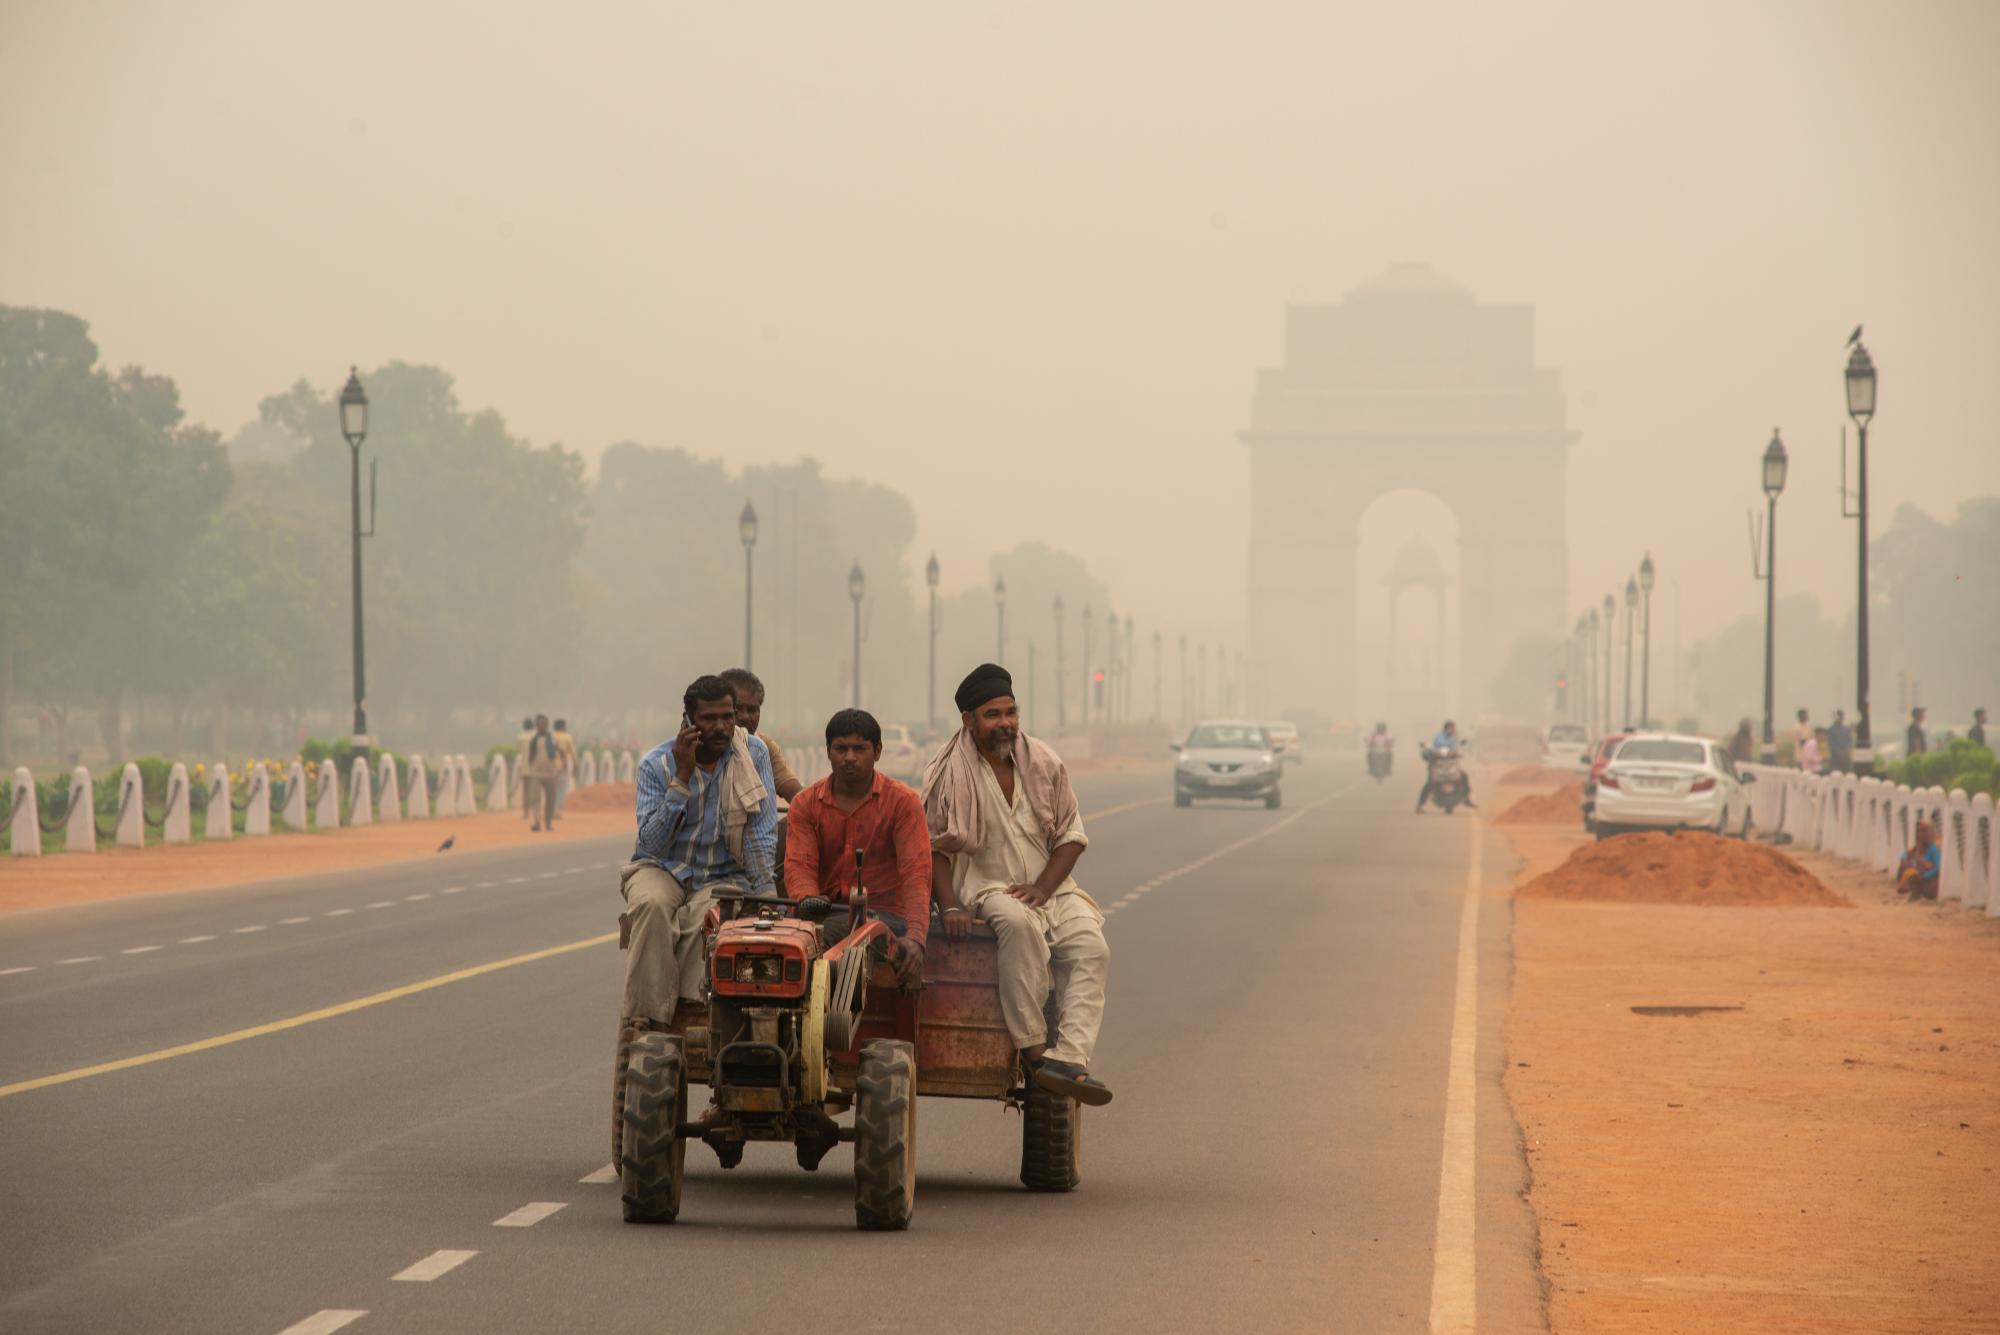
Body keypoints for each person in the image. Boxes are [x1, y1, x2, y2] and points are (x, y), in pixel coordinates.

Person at [924, 663, 1113, 1106]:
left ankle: (1068, 1059)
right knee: (1019, 926)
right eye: (992, 714)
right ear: (968, 720)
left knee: (1092, 947)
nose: (1005, 723)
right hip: (988, 889)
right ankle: (1034, 1052)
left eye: (1011, 712)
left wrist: (1045, 889)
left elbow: (1071, 836)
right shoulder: (947, 773)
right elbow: (934, 849)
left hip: (1051, 890)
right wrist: (949, 907)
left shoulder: (1044, 762)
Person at [620, 675, 779, 1030]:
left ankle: (689, 1012)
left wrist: (767, 890)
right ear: (688, 721)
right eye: (709, 719)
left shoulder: (753, 754)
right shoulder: (655, 765)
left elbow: (761, 831)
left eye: (727, 716)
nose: (721, 727)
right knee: (650, 906)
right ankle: (646, 1019)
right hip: (662, 867)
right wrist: (682, 778)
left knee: (706, 921)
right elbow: (650, 844)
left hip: (723, 873)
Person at [784, 708, 930, 986]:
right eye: (841, 748)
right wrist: (808, 904)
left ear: (877, 752)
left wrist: (915, 939)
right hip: (825, 913)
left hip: (886, 917)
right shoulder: (805, 804)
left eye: (860, 748)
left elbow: (916, 874)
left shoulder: (903, 802)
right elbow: (800, 867)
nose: (850, 757)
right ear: (828, 752)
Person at [720, 667, 804, 802]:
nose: (746, 717)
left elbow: (797, 796)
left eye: (752, 710)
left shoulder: (763, 746)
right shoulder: (706, 745)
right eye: (737, 709)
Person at [1415, 719, 1475, 813]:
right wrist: (1433, 752)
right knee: (1430, 783)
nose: (1453, 730)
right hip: (1437, 763)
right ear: (1446, 729)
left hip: (1451, 763)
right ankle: (1420, 805)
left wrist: (1457, 752)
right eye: (1451, 728)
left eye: (1453, 728)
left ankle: (1466, 799)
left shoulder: (1455, 737)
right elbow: (1433, 748)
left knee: (1463, 776)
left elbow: (1458, 747)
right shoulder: (1438, 737)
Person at [520, 714, 562, 832]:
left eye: (543, 723)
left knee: (551, 800)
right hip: (536, 773)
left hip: (551, 773)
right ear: (536, 725)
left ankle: (548, 823)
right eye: (539, 723)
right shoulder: (533, 740)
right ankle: (537, 822)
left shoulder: (553, 739)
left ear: (547, 725)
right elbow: (530, 756)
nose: (541, 725)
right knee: (535, 799)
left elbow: (556, 753)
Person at [1897, 819, 1940, 901]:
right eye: (1919, 831)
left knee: (1914, 874)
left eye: (1923, 831)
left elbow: (1937, 868)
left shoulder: (1933, 849)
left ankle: (1916, 895)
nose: (1920, 834)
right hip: (1921, 876)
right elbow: (1904, 855)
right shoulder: (1918, 847)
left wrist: (1925, 875)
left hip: (1930, 881)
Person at [552, 717, 579, 819]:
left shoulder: (551, 737)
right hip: (562, 766)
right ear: (563, 727)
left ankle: (551, 810)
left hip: (550, 767)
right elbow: (573, 752)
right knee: (561, 789)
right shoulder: (567, 738)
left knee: (551, 789)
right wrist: (576, 764)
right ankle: (557, 811)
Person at [516, 715, 537, 819]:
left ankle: (525, 813)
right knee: (536, 791)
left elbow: (519, 751)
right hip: (536, 767)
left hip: (525, 767)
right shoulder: (537, 736)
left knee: (526, 791)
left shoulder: (521, 738)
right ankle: (536, 812)